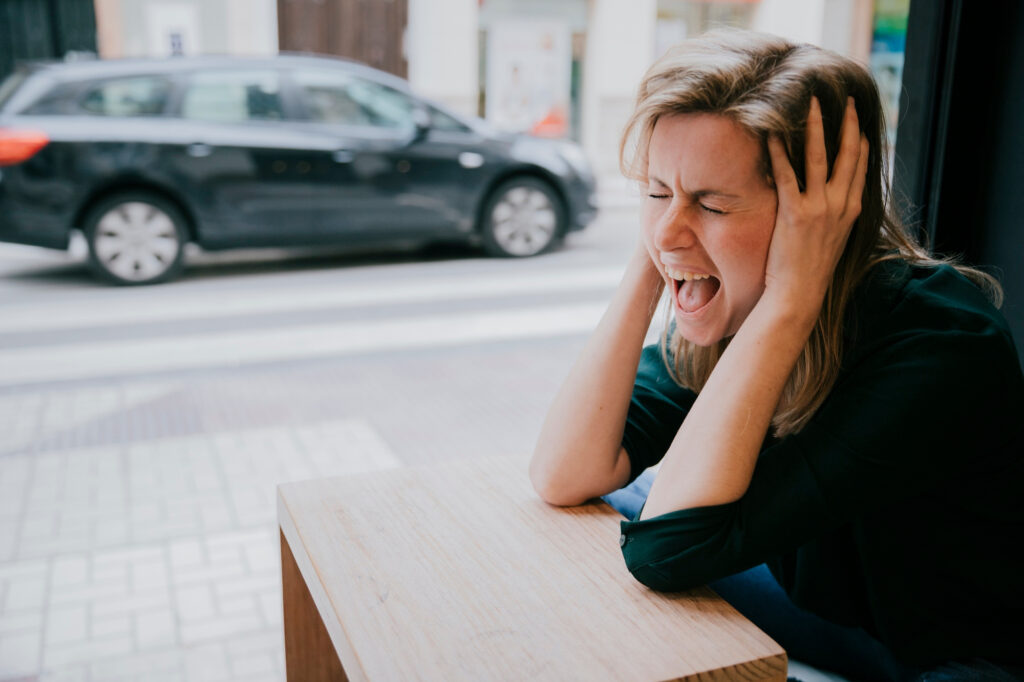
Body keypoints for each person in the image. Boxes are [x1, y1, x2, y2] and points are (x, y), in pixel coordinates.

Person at [528, 29, 1024, 682]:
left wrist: (792, 294)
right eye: (654, 191)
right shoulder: (736, 298)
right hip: (835, 611)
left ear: (818, 215)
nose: (672, 226)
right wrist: (659, 257)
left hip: (953, 655)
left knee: (657, 526)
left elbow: (668, 551)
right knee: (627, 502)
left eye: (711, 202)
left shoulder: (937, 344)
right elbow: (564, 473)